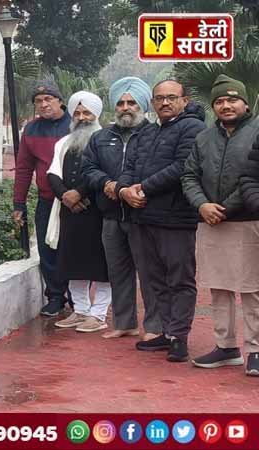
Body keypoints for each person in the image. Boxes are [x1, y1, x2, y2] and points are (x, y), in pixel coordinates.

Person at [116, 79, 206, 362]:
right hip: (142, 217)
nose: (165, 103)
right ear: (152, 102)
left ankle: (179, 337)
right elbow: (128, 167)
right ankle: (166, 333)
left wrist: (142, 189)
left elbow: (182, 167)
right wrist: (124, 190)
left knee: (180, 279)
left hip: (175, 219)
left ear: (184, 100)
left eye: (171, 97)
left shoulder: (193, 128)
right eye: (159, 98)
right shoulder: (147, 132)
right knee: (154, 280)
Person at [182, 75, 259, 375]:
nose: (226, 105)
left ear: (245, 102)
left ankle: (255, 349)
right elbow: (188, 175)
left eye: (232, 99)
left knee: (252, 290)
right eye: (220, 101)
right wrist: (202, 204)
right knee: (219, 288)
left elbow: (253, 178)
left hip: (248, 221)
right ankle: (226, 347)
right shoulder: (204, 137)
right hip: (210, 222)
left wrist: (226, 207)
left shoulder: (256, 132)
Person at [82, 77, 161, 340]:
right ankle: (124, 322)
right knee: (118, 272)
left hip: (143, 215)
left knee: (150, 274)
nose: (126, 107)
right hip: (111, 215)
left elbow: (157, 169)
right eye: (121, 103)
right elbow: (88, 169)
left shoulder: (154, 134)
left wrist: (134, 190)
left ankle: (153, 327)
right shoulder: (100, 137)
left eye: (132, 103)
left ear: (142, 105)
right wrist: (108, 184)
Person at [46, 91, 110, 333]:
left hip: (98, 212)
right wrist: (66, 196)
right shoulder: (63, 143)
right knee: (72, 263)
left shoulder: (105, 139)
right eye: (78, 113)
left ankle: (99, 314)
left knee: (102, 266)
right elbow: (52, 173)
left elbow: (106, 171)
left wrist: (80, 193)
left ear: (96, 115)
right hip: (70, 212)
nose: (82, 117)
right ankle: (80, 310)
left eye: (87, 113)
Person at [12, 80, 72, 317]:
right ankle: (55, 297)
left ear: (60, 100)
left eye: (49, 99)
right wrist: (18, 203)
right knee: (48, 251)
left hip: (75, 201)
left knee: (75, 249)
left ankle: (79, 301)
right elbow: (24, 168)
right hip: (46, 201)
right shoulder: (31, 130)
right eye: (38, 101)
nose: (44, 104)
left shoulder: (76, 124)